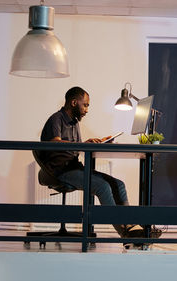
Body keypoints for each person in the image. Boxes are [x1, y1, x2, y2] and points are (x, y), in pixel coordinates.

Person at [38, 86, 143, 238]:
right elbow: (57, 142)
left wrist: (94, 143)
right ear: (74, 102)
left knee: (118, 184)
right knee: (102, 187)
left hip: (75, 167)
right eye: (85, 105)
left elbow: (76, 148)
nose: (87, 110)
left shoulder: (74, 122)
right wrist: (83, 144)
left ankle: (129, 224)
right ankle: (124, 232)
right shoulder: (56, 119)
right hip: (60, 171)